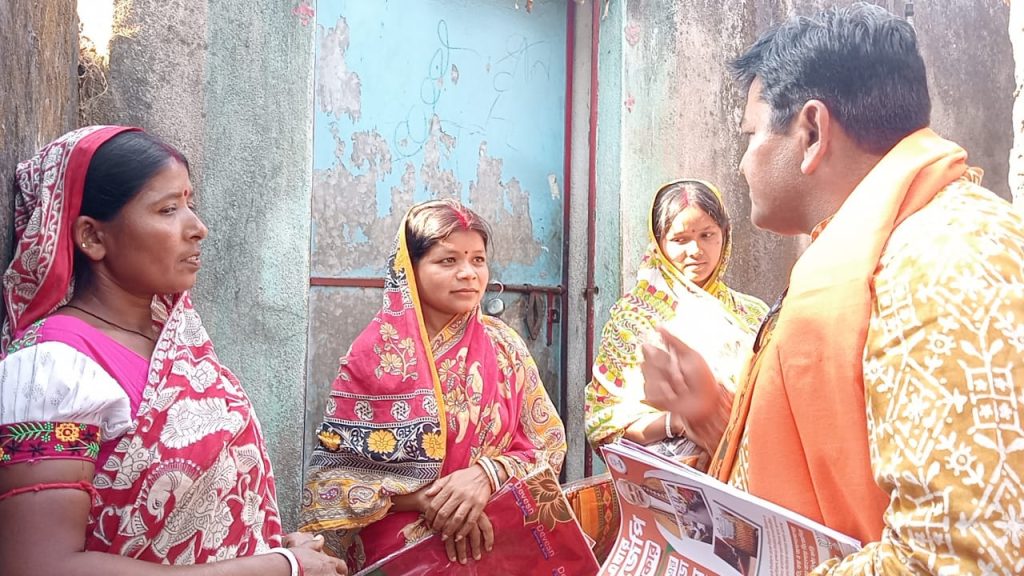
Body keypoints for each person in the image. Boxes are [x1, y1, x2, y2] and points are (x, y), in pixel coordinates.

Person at [641, 4, 1024, 573]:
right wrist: (714, 415)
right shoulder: (890, 248)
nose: (743, 164)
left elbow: (958, 559)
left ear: (812, 131)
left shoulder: (951, 257)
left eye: (751, 135)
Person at [0, 126, 346, 576]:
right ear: (93, 237)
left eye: (190, 205)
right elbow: (39, 565)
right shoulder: (52, 368)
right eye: (167, 209)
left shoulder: (175, 346)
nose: (197, 228)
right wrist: (280, 567)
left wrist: (271, 547)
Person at [300, 199, 567, 571]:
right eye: (448, 260)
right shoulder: (377, 355)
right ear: (410, 270)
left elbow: (548, 445)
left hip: (497, 542)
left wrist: (486, 477)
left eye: (477, 260)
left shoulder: (505, 346)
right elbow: (331, 484)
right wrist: (431, 501)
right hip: (401, 555)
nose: (468, 273)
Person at [585, 180, 767, 464]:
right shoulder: (633, 319)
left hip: (751, 468)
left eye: (707, 235)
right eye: (680, 239)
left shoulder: (753, 314)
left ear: (725, 235)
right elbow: (604, 423)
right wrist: (680, 421)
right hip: (673, 479)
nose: (696, 250)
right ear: (659, 243)